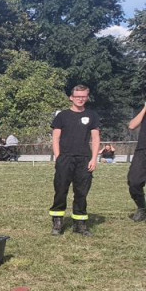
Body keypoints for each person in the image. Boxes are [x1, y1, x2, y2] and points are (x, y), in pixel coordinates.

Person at [49, 85, 100, 236]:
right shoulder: (62, 116)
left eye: (83, 96)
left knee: (81, 192)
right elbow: (56, 138)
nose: (80, 99)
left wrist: (93, 159)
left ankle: (80, 223)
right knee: (60, 190)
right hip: (65, 158)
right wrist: (58, 157)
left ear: (87, 97)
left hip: (84, 159)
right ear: (71, 97)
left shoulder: (92, 115)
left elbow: (96, 138)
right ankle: (58, 221)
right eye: (77, 96)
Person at [126, 101, 146, 222]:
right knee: (134, 182)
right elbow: (132, 126)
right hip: (142, 150)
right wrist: (145, 108)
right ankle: (142, 208)